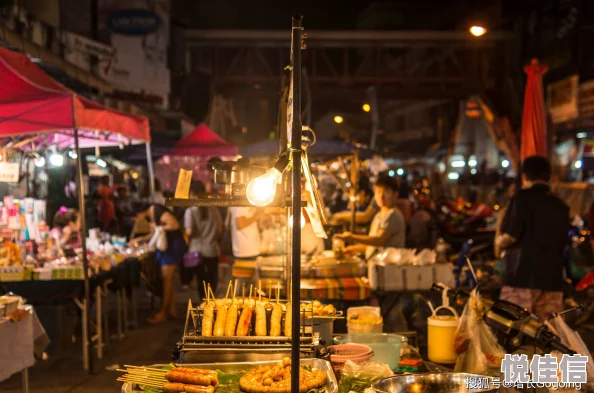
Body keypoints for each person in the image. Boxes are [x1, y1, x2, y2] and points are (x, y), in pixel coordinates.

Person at [496, 156, 570, 322]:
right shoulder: (561, 206)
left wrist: (498, 243)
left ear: (524, 177)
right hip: (552, 280)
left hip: (521, 277)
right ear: (549, 177)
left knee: (514, 330)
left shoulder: (521, 198)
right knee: (548, 335)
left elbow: (510, 236)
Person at [130, 204, 188, 324]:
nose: (136, 221)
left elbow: (174, 224)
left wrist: (159, 227)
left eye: (135, 218)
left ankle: (162, 313)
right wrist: (139, 239)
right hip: (169, 246)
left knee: (166, 279)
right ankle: (171, 311)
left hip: (173, 246)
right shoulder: (152, 213)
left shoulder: (156, 210)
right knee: (168, 279)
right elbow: (156, 233)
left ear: (139, 213)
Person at [334, 174, 406, 260]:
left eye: (386, 192)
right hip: (376, 265)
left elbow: (379, 240)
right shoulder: (379, 215)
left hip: (388, 268)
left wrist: (351, 237)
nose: (381, 196)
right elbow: (372, 245)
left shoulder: (393, 215)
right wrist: (352, 249)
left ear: (396, 194)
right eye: (378, 192)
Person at [182, 181, 222, 297]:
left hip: (196, 253)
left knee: (201, 284)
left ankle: (204, 309)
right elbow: (220, 229)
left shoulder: (190, 211)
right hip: (212, 250)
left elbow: (189, 232)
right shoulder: (213, 209)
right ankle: (212, 307)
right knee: (212, 282)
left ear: (192, 193)